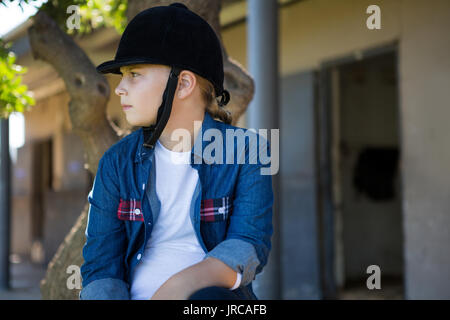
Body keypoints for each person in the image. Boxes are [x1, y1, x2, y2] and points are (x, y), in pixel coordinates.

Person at [79, 2, 273, 300]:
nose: (120, 89)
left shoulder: (247, 151)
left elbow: (249, 244)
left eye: (134, 74)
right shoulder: (115, 164)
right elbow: (101, 268)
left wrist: (176, 289)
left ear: (182, 84)